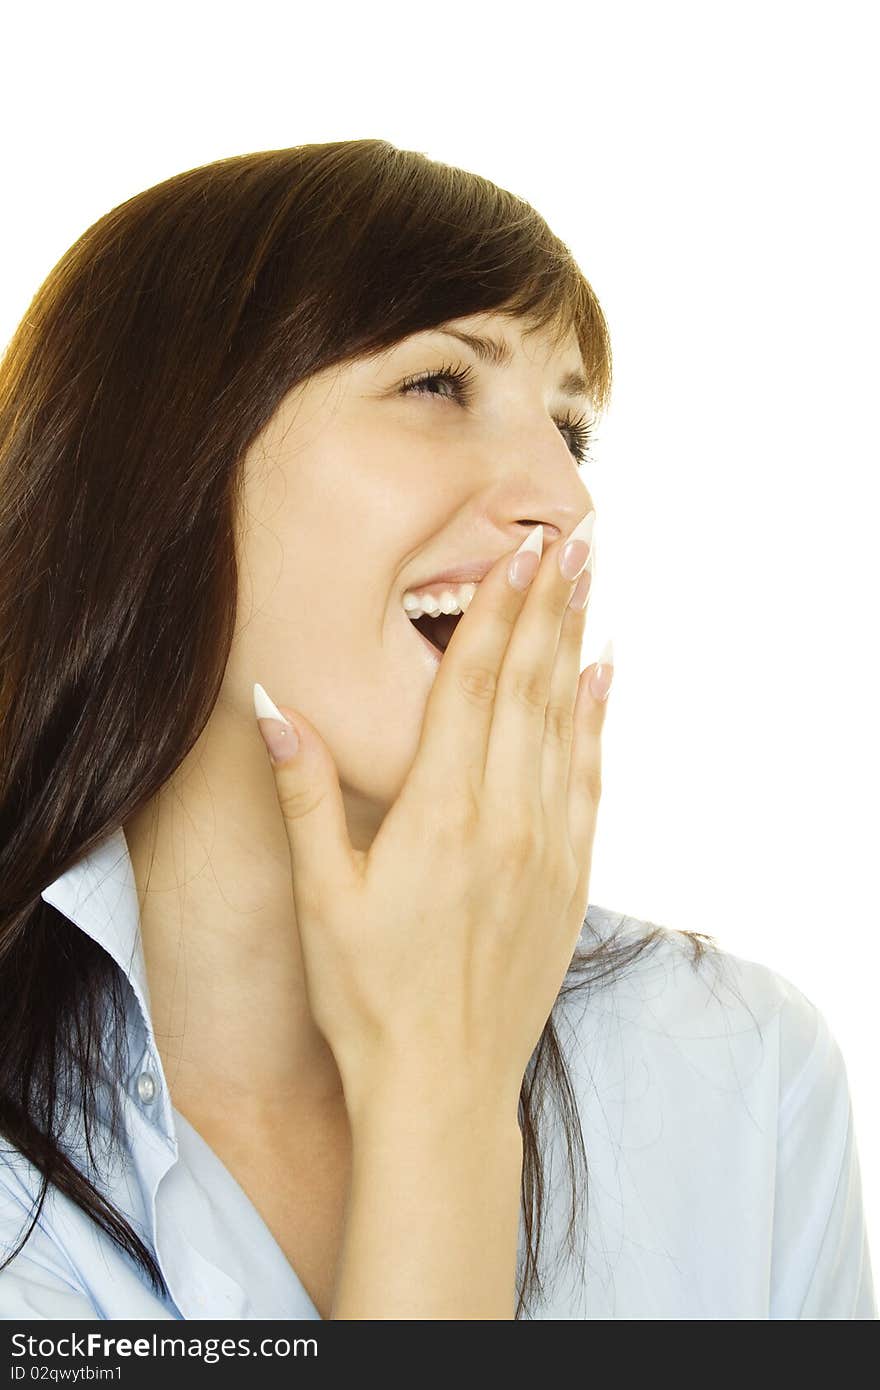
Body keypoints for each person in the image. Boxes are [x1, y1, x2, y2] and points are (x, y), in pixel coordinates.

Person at [0, 140, 874, 1321]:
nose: (563, 501)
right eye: (438, 385)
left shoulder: (742, 1070)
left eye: (570, 429)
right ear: (161, 474)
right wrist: (442, 1095)